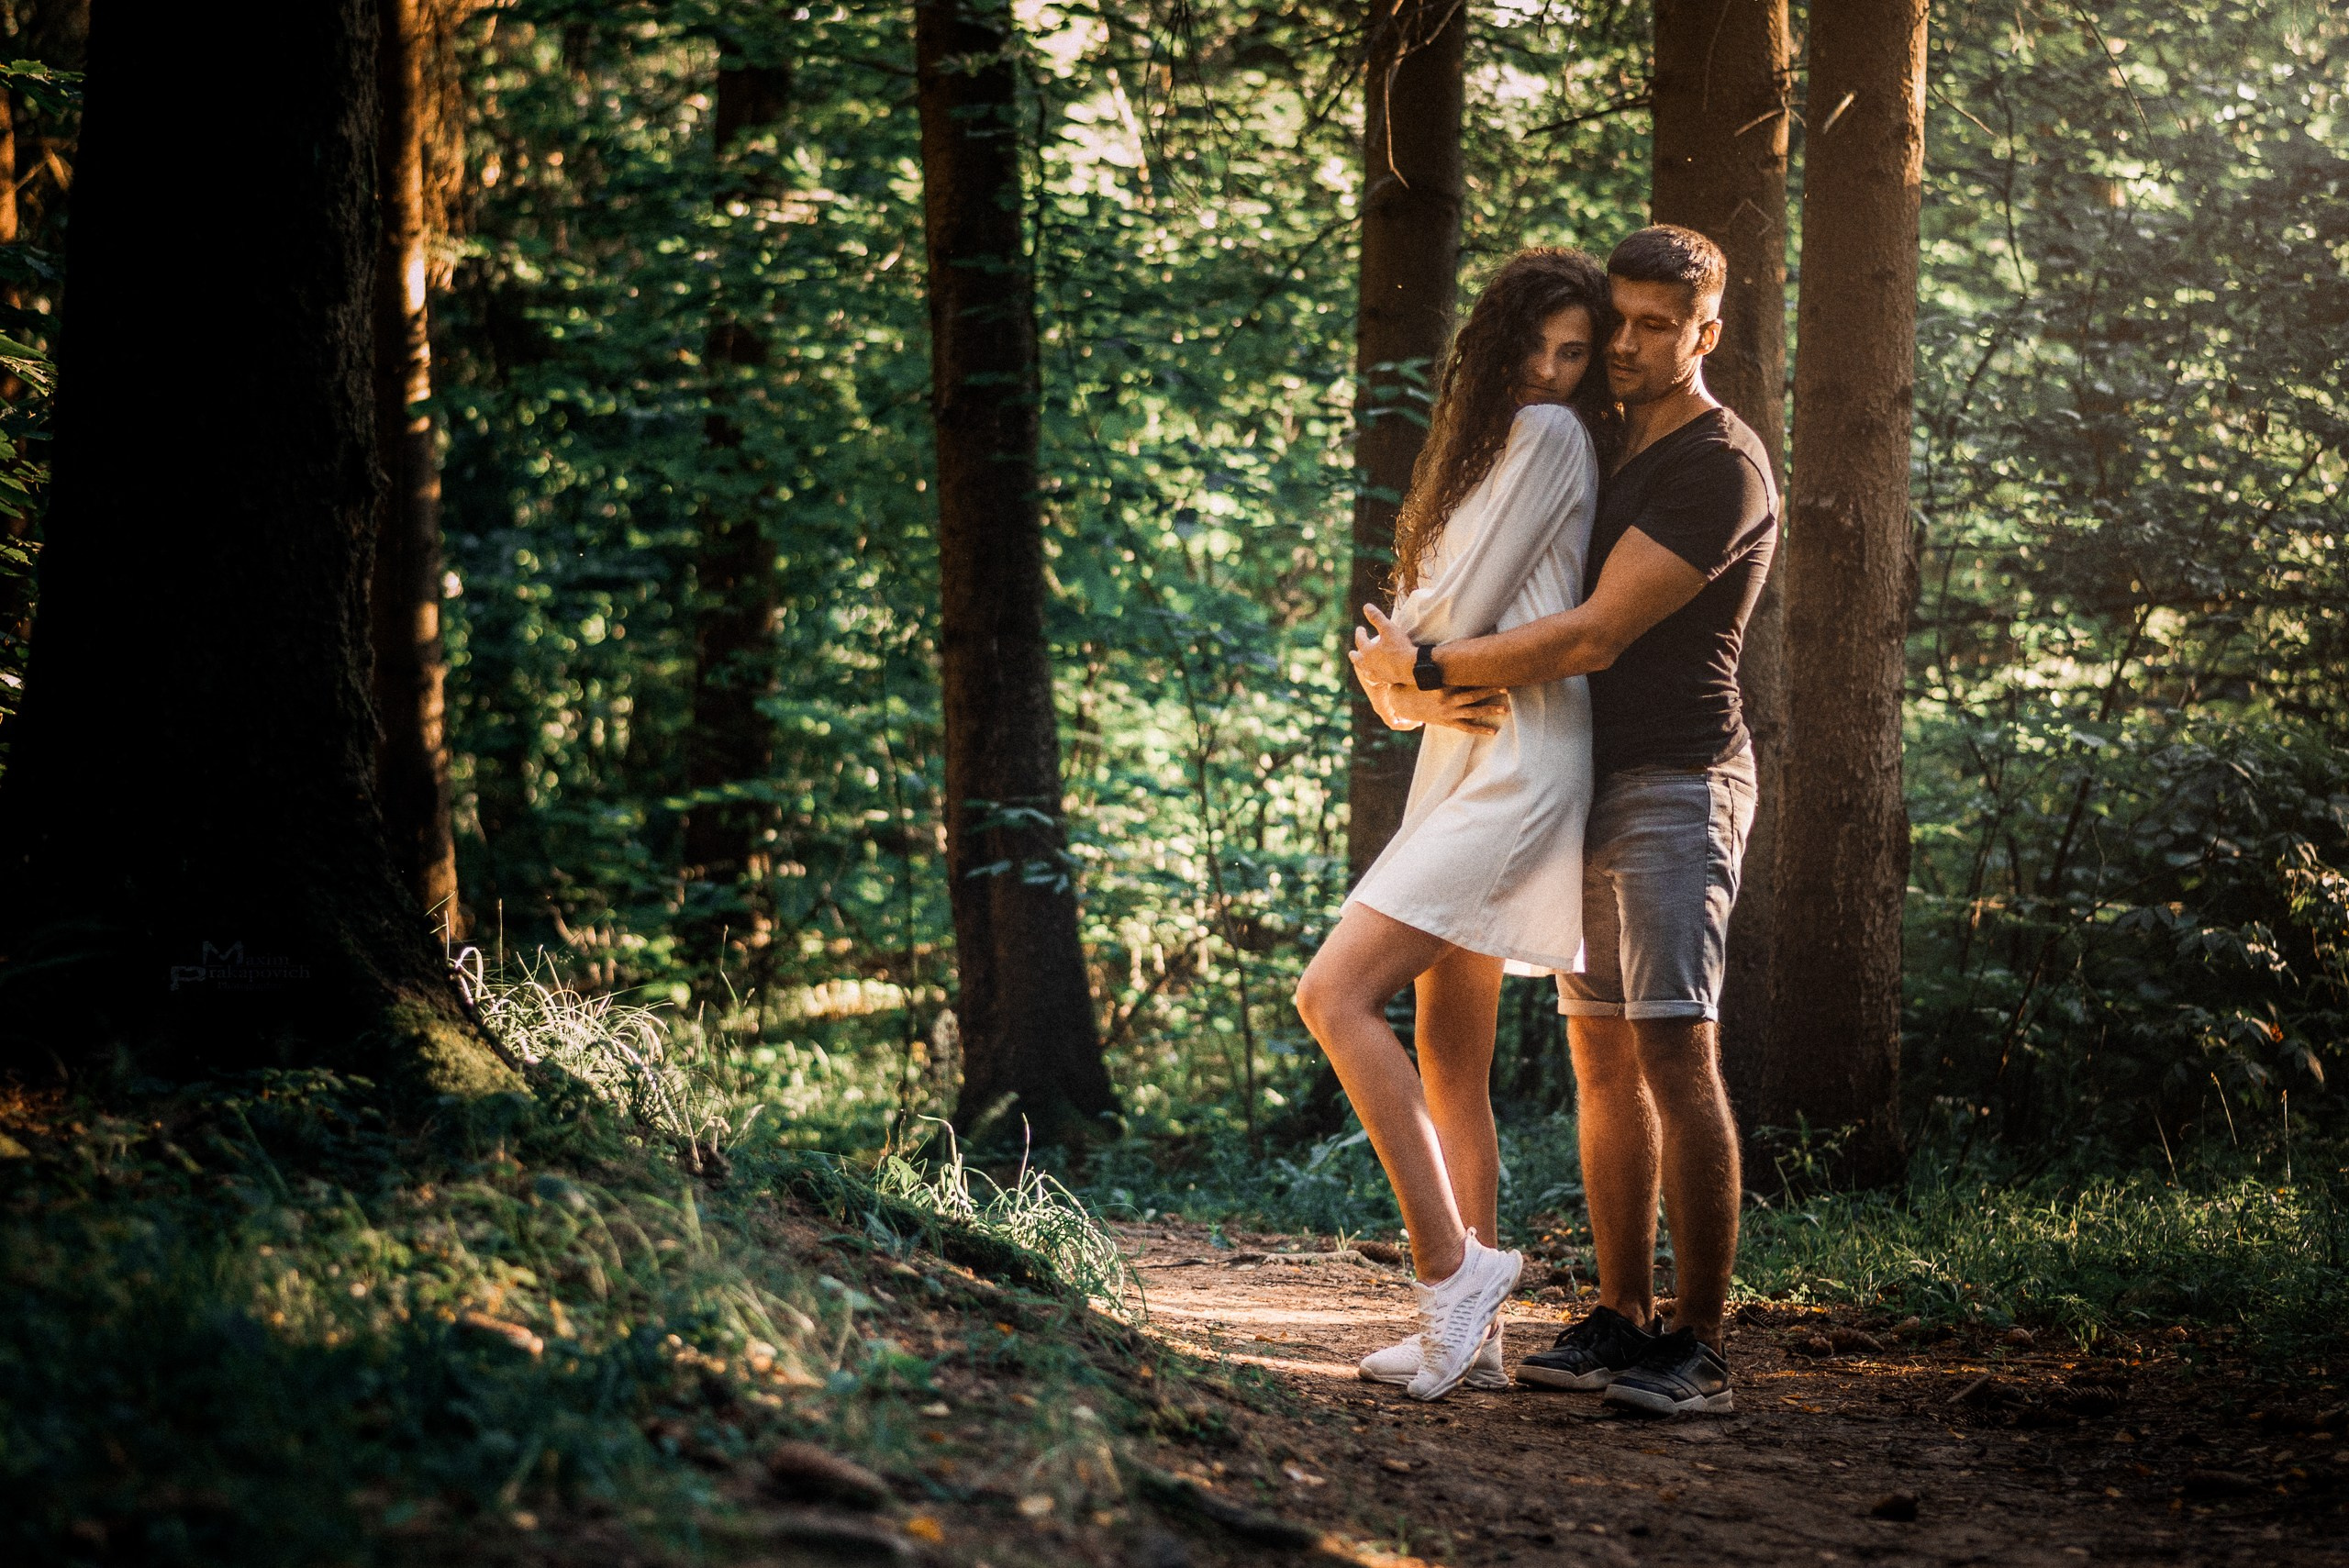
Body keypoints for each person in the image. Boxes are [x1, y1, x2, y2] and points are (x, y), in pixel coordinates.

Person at [1353, 225, 1778, 1416]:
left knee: (1674, 1053)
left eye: (1658, 326)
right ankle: (1621, 1316)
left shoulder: (1718, 462)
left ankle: (1697, 1342)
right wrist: (1417, 679)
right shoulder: (1601, 439)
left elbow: (1593, 634)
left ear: (1707, 331)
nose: (1633, 346)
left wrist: (1426, 669)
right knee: (1600, 1058)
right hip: (1585, 777)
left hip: (1676, 780)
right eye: (1621, 323)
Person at [1295, 248, 1620, 1402]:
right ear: (1491, 346)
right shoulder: (1482, 448)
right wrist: (1401, 682)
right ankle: (1468, 1337)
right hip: (1469, 747)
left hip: (1517, 759)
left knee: (1332, 994)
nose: (1548, 370)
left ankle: (1449, 1270)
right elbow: (1404, 655)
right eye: (1534, 347)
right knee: (1451, 1053)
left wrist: (1401, 672)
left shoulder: (1550, 438)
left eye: (1574, 354)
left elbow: (1437, 620)